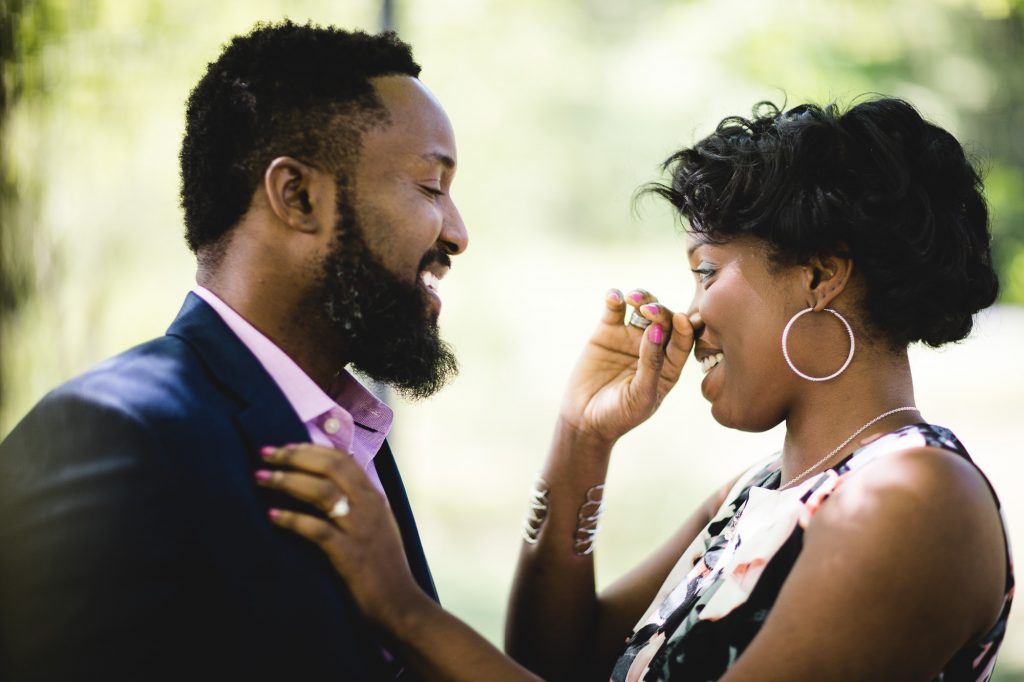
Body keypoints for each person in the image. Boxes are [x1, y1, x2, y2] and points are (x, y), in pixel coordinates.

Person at [258, 97, 1012, 681]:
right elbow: (554, 665)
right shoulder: (751, 499)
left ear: (819, 275)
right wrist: (582, 440)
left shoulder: (915, 497)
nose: (691, 312)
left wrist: (400, 609)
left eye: (708, 270)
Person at [0, 21, 467, 680]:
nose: (457, 232)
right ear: (298, 196)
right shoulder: (111, 433)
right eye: (431, 186)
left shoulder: (352, 435)